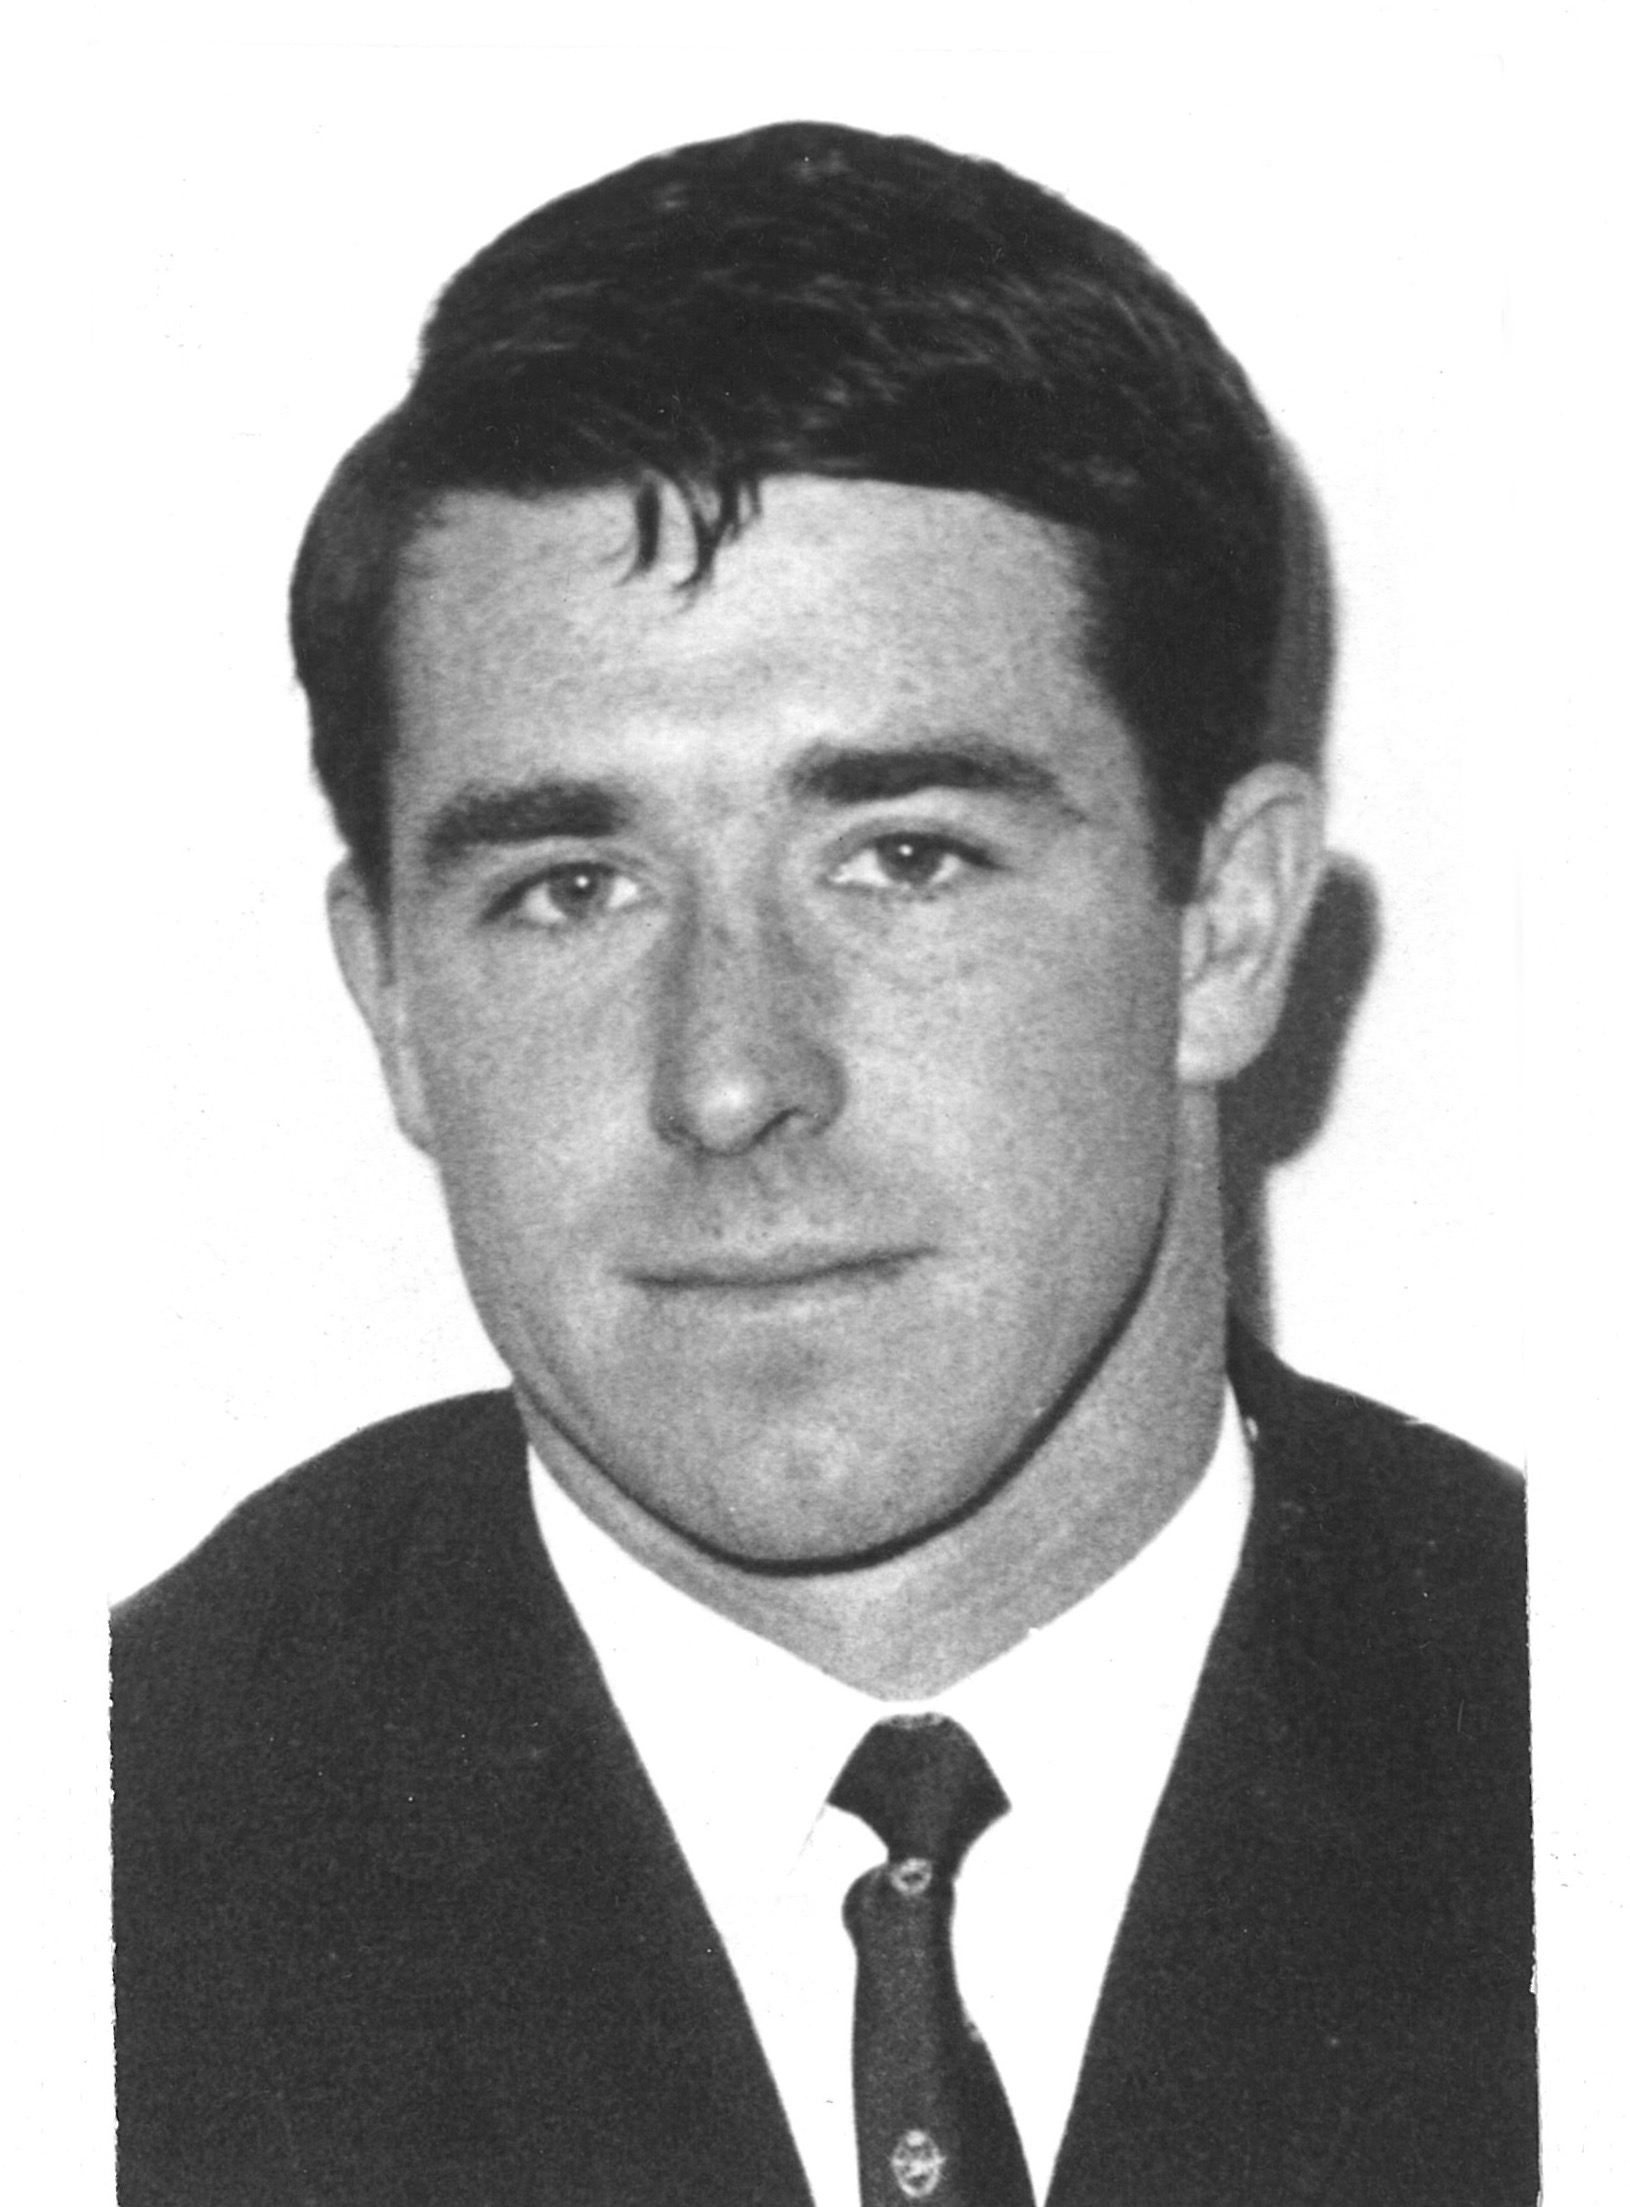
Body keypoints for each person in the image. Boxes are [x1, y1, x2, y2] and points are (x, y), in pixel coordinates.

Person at [112, 120, 1536, 2206]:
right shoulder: (94, 1853)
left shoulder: (1557, 1726)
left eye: (904, 859)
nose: (726, 1079)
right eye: (569, 888)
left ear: (1221, 929)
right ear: (395, 1001)